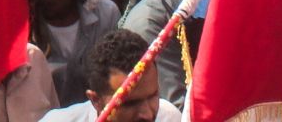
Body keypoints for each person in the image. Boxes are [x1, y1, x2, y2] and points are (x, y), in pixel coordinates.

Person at [36, 29, 180, 122]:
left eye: (153, 96)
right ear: (96, 100)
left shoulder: (169, 118)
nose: (148, 114)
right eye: (130, 103)